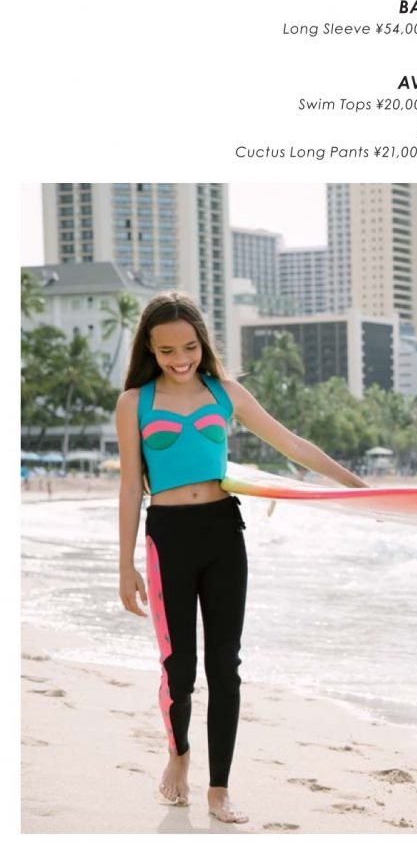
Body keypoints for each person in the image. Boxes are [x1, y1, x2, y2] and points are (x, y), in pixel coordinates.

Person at [113, 292, 368, 824]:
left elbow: (293, 445)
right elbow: (130, 487)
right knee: (178, 667)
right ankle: (179, 753)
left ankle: (219, 789)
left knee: (224, 665)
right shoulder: (134, 403)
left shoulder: (224, 392)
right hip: (167, 538)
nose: (180, 359)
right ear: (150, 350)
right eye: (166, 351)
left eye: (188, 347)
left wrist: (357, 487)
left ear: (202, 343)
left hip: (223, 532)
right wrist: (124, 565)